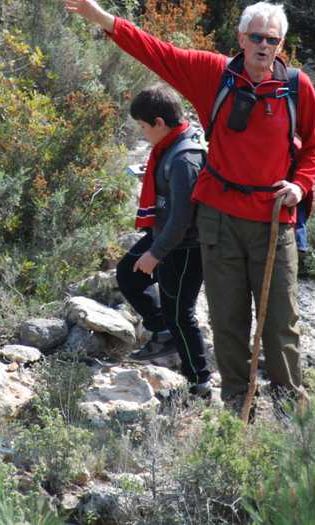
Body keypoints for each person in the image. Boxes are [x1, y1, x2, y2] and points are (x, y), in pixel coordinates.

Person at [61, 0, 315, 414]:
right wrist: (104, 20)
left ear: (281, 45)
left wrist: (300, 184)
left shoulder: (297, 88)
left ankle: (288, 407)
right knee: (227, 320)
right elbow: (158, 53)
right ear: (241, 38)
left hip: (275, 221)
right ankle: (238, 406)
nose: (263, 46)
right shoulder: (213, 75)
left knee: (281, 323)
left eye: (272, 40)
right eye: (256, 37)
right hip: (219, 219)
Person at [118, 84, 212, 397]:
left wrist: (155, 254)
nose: (143, 134)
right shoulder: (171, 147)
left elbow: (183, 217)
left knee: (180, 314)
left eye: (144, 127)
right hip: (167, 237)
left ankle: (199, 382)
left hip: (184, 247)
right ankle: (162, 332)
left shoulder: (183, 157)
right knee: (128, 274)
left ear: (159, 123)